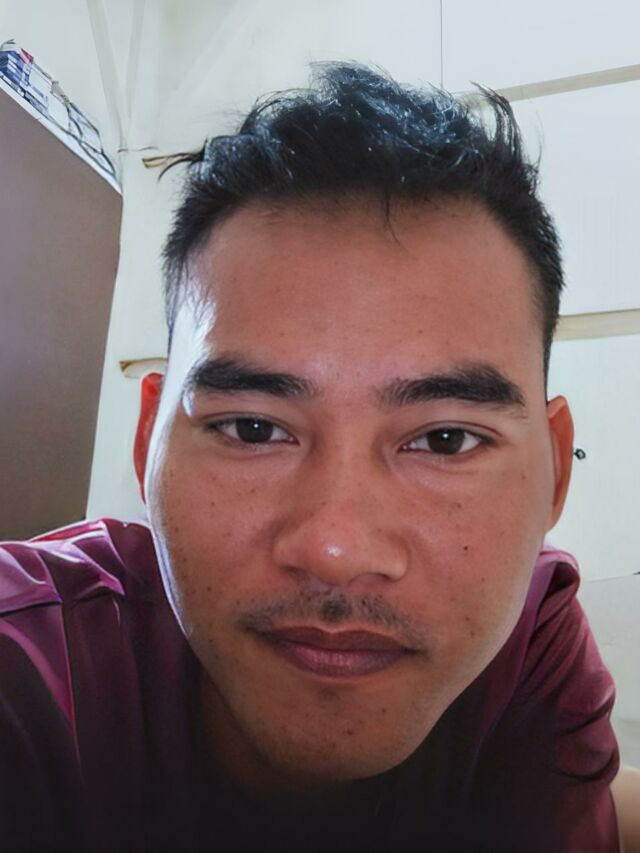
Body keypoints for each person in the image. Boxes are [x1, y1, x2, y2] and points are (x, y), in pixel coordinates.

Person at [0, 63, 629, 852]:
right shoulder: (31, 668)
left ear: (556, 471)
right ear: (147, 440)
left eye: (444, 439)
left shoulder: (531, 638)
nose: (336, 548)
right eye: (252, 428)